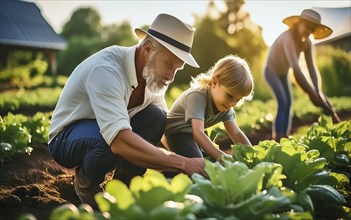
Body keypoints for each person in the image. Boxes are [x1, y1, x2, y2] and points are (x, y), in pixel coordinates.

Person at [48, 13, 206, 209]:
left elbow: (164, 132)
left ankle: (124, 187)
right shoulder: (106, 70)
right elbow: (119, 141)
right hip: (66, 139)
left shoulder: (153, 77)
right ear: (148, 49)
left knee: (157, 118)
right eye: (169, 64)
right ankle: (86, 182)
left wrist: (196, 159)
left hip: (106, 131)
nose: (171, 76)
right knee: (109, 140)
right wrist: (182, 164)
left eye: (177, 68)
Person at [263, 9, 341, 141]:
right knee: (283, 101)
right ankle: (278, 137)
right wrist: (311, 94)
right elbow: (296, 69)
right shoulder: (288, 38)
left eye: (312, 29)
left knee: (289, 102)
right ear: (299, 23)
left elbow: (312, 68)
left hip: (283, 73)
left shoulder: (307, 43)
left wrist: (318, 91)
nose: (308, 30)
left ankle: (284, 137)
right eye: (307, 26)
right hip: (271, 71)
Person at [162, 55, 253, 165]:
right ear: (214, 82)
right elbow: (198, 133)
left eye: (238, 100)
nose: (232, 103)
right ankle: (168, 163)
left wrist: (252, 155)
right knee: (199, 163)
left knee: (211, 161)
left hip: (191, 136)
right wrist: (222, 157)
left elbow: (236, 133)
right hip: (176, 133)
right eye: (229, 96)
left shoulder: (226, 106)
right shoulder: (197, 96)